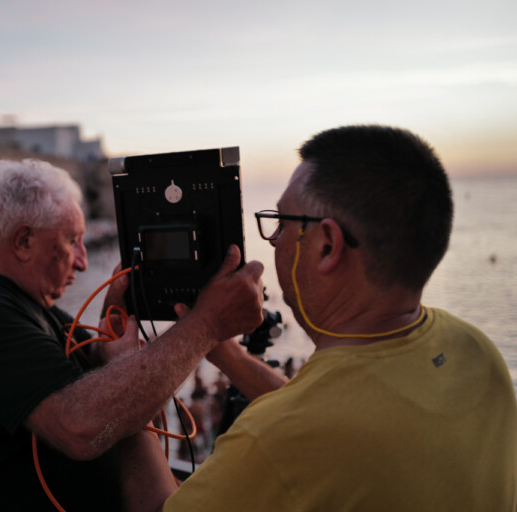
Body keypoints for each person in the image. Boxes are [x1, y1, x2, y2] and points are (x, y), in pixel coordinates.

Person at [153, 125, 517, 511]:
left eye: (281, 221)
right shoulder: (477, 352)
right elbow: (337, 413)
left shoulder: (274, 442)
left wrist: (127, 404)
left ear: (327, 246)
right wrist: (230, 357)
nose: (273, 239)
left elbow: (309, 423)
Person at [0, 159, 266, 511]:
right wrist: (206, 324)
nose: (82, 262)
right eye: (73, 241)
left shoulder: (46, 315)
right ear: (23, 241)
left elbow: (111, 401)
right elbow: (79, 426)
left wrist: (111, 344)